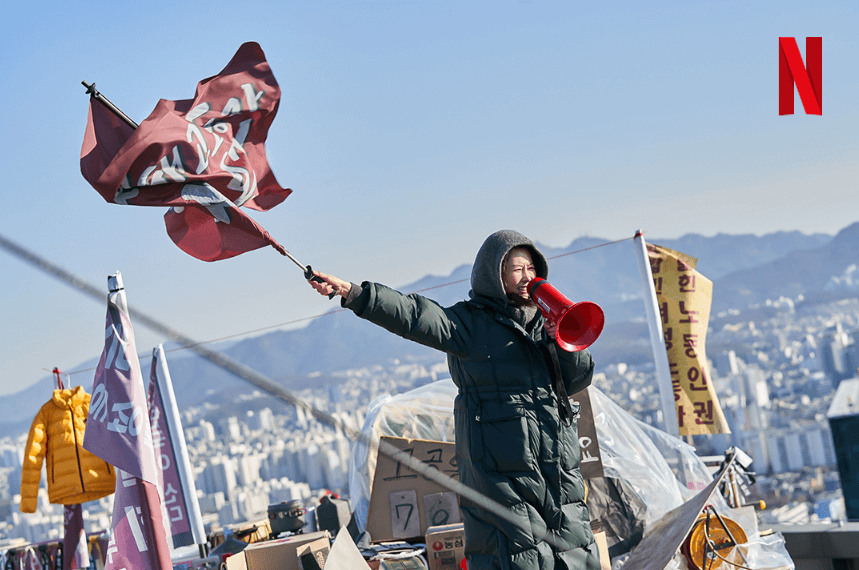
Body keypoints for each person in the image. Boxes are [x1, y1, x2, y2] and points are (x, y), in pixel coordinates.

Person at [309, 230, 599, 570]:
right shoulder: (470, 324)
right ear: (495, 274)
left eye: (532, 268)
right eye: (517, 269)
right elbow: (414, 316)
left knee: (575, 553)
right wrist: (356, 294)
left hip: (557, 465)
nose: (528, 277)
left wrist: (562, 342)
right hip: (502, 471)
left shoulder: (545, 322)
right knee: (519, 557)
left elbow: (578, 379)